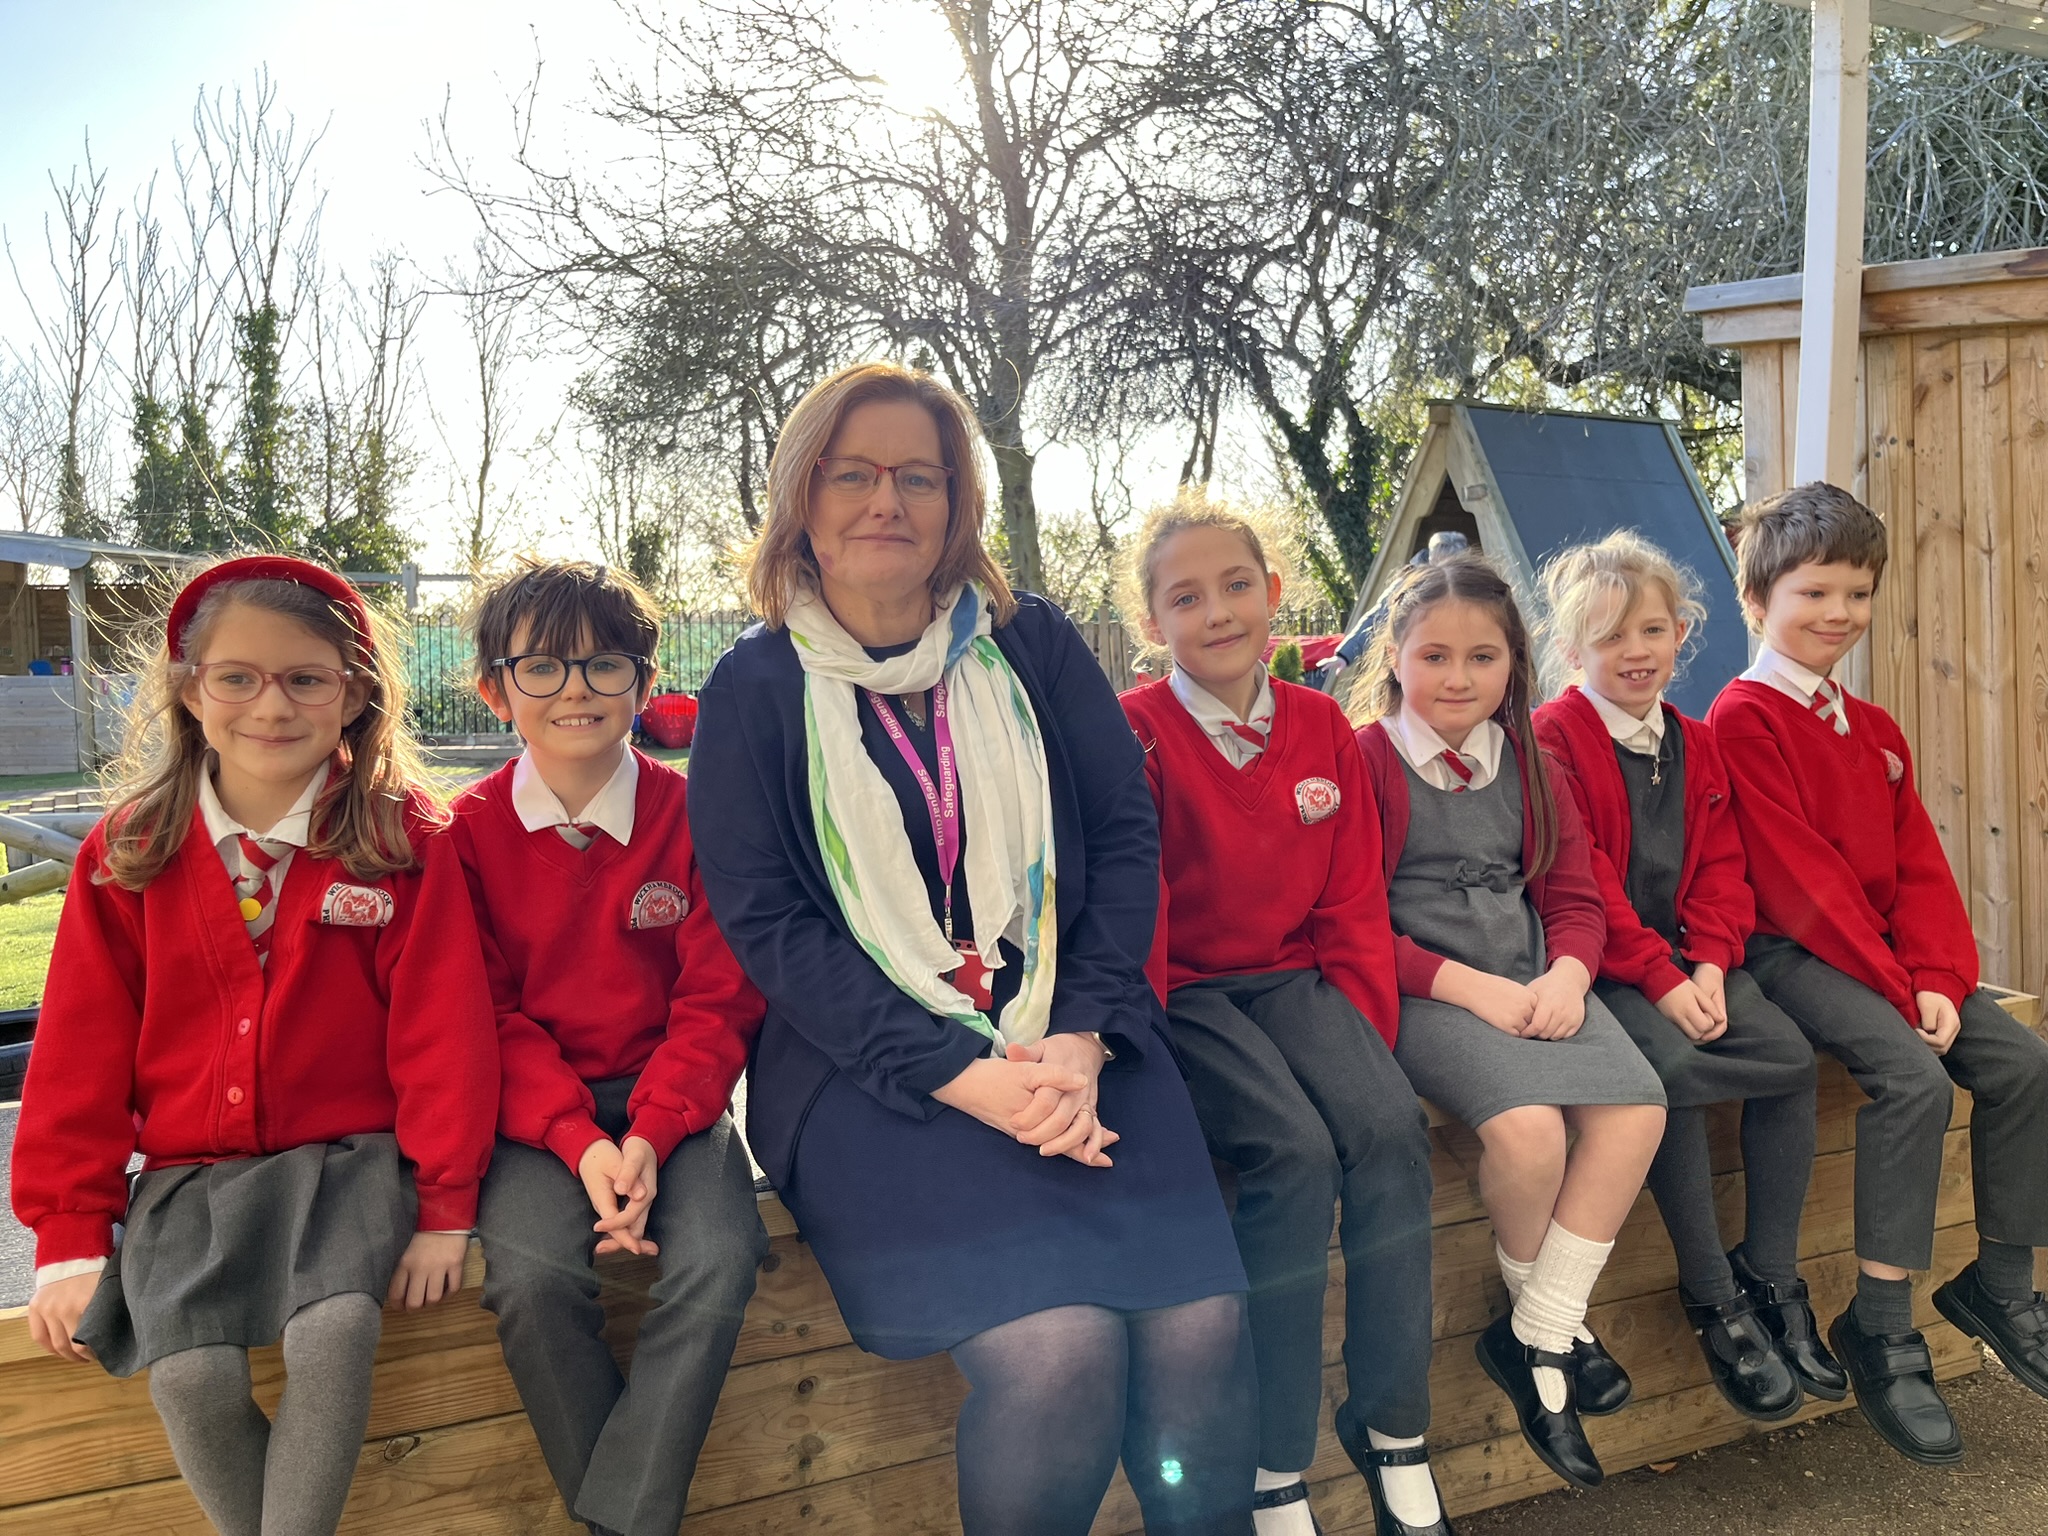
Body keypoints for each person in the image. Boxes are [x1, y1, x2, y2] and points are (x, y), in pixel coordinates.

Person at [685, 361, 1256, 1535]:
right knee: (1055, 1354)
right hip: (872, 1075)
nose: (884, 500)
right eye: (852, 473)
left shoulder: (1030, 644)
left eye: (918, 476)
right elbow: (770, 926)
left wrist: (1082, 1035)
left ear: (957, 502)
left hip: (1076, 1044)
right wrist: (964, 1075)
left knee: (1198, 1328)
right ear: (802, 495)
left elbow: (1123, 835)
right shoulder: (753, 688)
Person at [11, 555, 497, 1536]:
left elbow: (444, 1034)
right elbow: (77, 1054)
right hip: (190, 1178)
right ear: (190, 689)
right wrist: (68, 1236)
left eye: (306, 678)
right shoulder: (130, 851)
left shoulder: (399, 841)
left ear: (353, 694)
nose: (271, 706)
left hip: (348, 1165)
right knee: (188, 1376)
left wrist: (445, 1204)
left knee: (336, 1331)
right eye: (237, 676)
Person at [1118, 493, 1449, 1536]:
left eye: (1234, 586)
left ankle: (1392, 1426)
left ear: (1272, 593)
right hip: (1188, 995)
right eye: (1185, 598)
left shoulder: (1318, 726)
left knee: (1388, 1130)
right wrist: (1143, 1060)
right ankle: (1273, 1461)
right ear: (1151, 624)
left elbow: (1350, 901)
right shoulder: (1137, 734)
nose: (1216, 612)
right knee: (1294, 1157)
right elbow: (1134, 909)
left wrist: (1360, 1055)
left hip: (1296, 982)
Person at [1708, 483, 2048, 1465]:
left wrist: (1937, 975)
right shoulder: (1744, 718)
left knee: (2024, 1064)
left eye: (1856, 594)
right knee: (1912, 1079)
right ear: (1756, 602)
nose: (1838, 613)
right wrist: (1906, 999)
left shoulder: (1873, 728)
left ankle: (2002, 1286)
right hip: (1790, 952)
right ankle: (1881, 1325)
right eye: (1813, 593)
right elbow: (1801, 886)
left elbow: (1917, 868)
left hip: (1888, 958)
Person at [451, 559, 768, 1536]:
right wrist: (578, 1140)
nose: (576, 689)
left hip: (674, 1100)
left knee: (723, 1258)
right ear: (495, 690)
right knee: (532, 1281)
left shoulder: (699, 818)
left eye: (604, 663)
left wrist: (653, 1134)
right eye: (542, 667)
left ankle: (618, 1521)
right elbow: (484, 1015)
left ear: (645, 681)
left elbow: (717, 1000)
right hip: (532, 1116)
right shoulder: (460, 835)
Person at [1349, 555, 1667, 1492]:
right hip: (1426, 992)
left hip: (1538, 978)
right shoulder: (1365, 759)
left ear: (1513, 663)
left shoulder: (1530, 757)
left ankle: (1535, 1330)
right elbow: (1355, 923)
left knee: (1637, 1109)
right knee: (1529, 1133)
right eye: (1435, 656)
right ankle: (1555, 1345)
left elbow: (1573, 896)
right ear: (1395, 658)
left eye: (1482, 658)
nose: (1459, 678)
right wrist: (1472, 990)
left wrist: (1571, 972)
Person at [1534, 532, 1841, 1424]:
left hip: (1693, 958)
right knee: (1665, 1076)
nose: (1636, 652)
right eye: (1610, 637)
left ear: (1682, 633)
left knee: (1787, 1059)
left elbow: (1721, 868)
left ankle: (1770, 1272)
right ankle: (1710, 1292)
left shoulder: (1695, 741)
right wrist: (1662, 981)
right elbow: (1581, 878)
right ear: (1573, 651)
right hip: (1606, 966)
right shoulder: (1554, 741)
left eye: (1653, 631)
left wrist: (1709, 960)